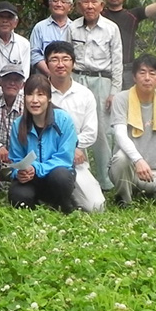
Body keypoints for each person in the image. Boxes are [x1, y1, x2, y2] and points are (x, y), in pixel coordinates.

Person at [109, 54, 156, 205]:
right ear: (134, 77)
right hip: (129, 169)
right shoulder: (121, 98)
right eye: (142, 72)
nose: (147, 77)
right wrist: (138, 160)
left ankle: (149, 194)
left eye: (152, 73)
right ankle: (124, 199)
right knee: (121, 158)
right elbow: (120, 134)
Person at [69, 0, 123, 191]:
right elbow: (67, 57)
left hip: (102, 81)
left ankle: (105, 180)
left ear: (101, 5)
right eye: (86, 2)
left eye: (94, 2)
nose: (90, 6)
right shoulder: (72, 28)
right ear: (79, 5)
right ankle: (78, 178)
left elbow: (117, 62)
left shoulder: (111, 28)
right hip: (77, 78)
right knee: (75, 126)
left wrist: (114, 92)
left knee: (102, 131)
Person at [45, 41, 105, 212]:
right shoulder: (38, 92)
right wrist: (66, 149)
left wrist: (70, 149)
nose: (60, 64)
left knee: (96, 206)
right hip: (44, 158)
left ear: (73, 63)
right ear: (46, 64)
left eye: (65, 59)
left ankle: (68, 195)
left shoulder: (84, 94)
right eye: (54, 59)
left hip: (75, 161)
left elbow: (91, 133)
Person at [7, 74, 78, 213]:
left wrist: (37, 168)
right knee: (17, 195)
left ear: (49, 98)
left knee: (61, 177)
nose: (34, 100)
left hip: (56, 174)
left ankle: (63, 205)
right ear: (24, 97)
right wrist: (19, 173)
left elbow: (65, 159)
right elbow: (16, 159)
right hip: (31, 180)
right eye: (30, 94)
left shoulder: (63, 120)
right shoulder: (18, 125)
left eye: (40, 95)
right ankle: (36, 209)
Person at [93, 0, 156, 89]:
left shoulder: (133, 15)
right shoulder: (98, 16)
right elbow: (81, 9)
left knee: (127, 104)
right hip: (105, 68)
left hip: (127, 69)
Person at [29, 0, 74, 76]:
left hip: (69, 79)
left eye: (63, 1)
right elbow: (34, 54)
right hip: (44, 79)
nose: (59, 4)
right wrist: (51, 74)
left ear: (70, 7)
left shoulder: (75, 28)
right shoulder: (40, 27)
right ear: (50, 4)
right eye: (55, 1)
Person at [0, 62, 26, 175]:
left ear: (22, 85)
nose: (12, 83)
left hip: (20, 155)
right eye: (7, 79)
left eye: (16, 80)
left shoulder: (28, 105)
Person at [0, 2, 31, 80]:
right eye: (1, 17)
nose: (5, 21)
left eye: (9, 17)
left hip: (16, 90)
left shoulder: (24, 44)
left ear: (16, 22)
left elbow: (25, 76)